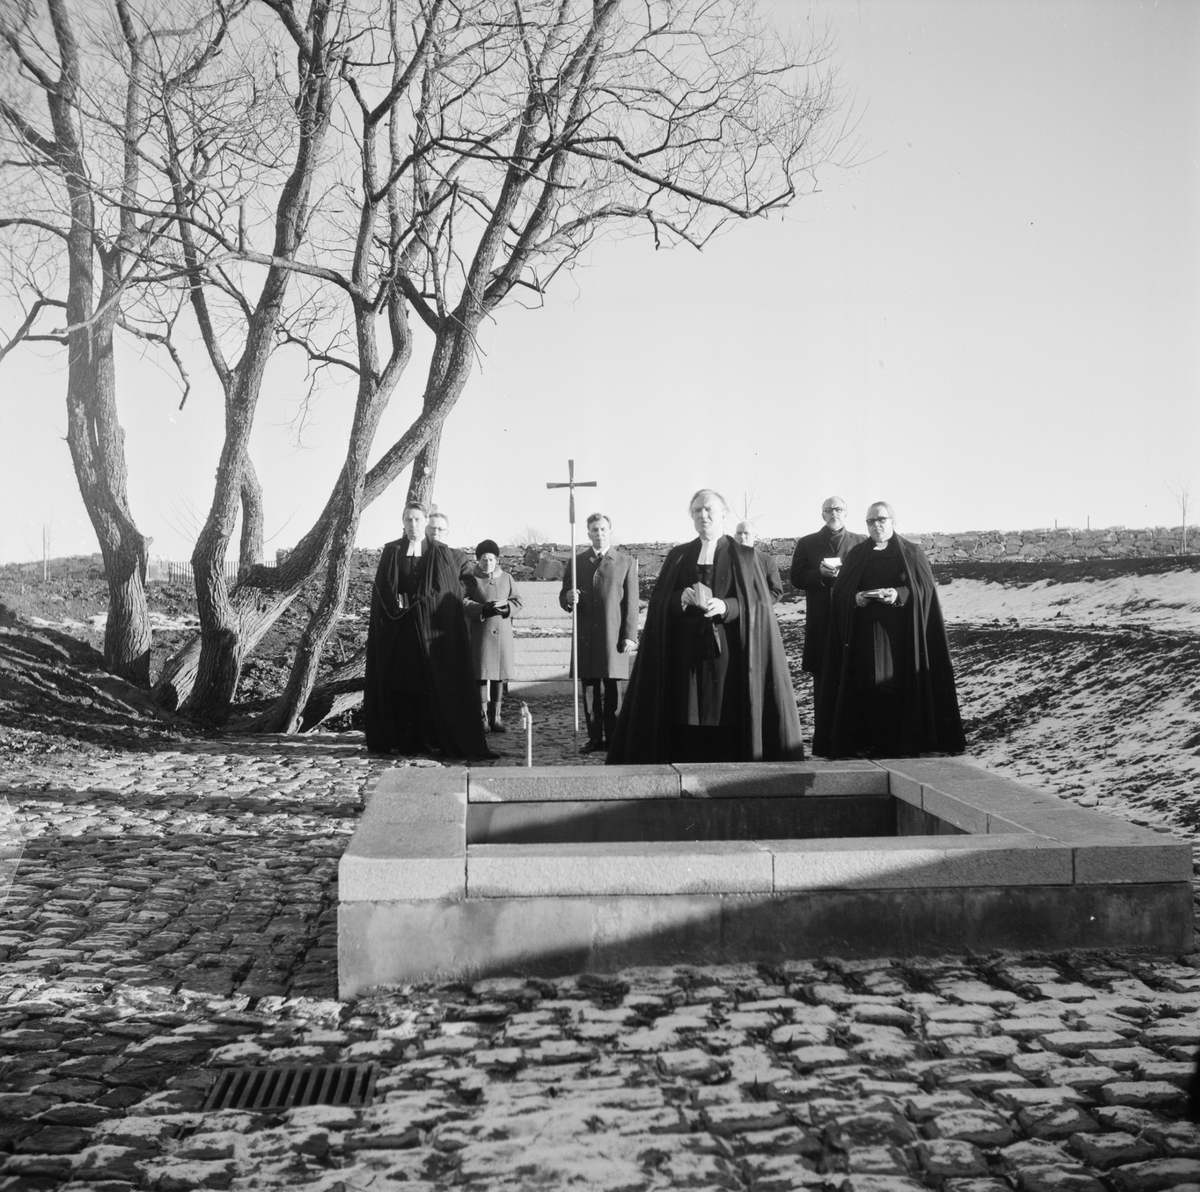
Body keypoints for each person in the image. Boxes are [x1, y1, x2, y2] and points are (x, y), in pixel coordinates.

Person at [607, 489, 804, 763]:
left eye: (709, 509)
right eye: (697, 510)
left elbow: (760, 605)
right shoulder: (679, 556)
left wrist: (727, 606)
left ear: (723, 514)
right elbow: (660, 602)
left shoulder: (745, 557)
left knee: (727, 716)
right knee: (686, 716)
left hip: (729, 657)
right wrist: (679, 600)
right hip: (686, 656)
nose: (703, 515)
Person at [813, 501, 965, 759]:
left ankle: (902, 742)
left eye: (881, 519)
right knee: (868, 686)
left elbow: (925, 591)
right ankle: (871, 741)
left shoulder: (911, 552)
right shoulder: (857, 554)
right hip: (864, 634)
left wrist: (899, 593)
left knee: (897, 687)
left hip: (901, 635)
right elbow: (840, 592)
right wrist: (855, 598)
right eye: (870, 521)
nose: (876, 525)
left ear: (893, 521)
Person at [363, 501, 495, 759]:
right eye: (408, 520)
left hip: (431, 633)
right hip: (402, 632)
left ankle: (429, 738)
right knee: (403, 684)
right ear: (403, 522)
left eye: (417, 520)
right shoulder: (392, 551)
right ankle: (405, 740)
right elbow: (383, 589)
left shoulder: (441, 552)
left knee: (429, 683)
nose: (413, 525)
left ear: (425, 522)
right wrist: (395, 604)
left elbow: (449, 588)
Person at [559, 513, 639, 754]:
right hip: (586, 637)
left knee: (613, 690)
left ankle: (614, 738)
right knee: (590, 691)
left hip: (613, 635)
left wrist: (629, 635)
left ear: (610, 531)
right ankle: (595, 738)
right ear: (588, 534)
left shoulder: (625, 561)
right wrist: (568, 599)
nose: (599, 533)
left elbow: (632, 603)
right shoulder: (577, 562)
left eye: (603, 529)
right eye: (594, 530)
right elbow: (564, 596)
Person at [789, 495, 866, 710]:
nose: (834, 514)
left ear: (846, 512)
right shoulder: (807, 543)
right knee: (824, 679)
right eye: (829, 510)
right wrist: (819, 574)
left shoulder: (860, 542)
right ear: (823, 514)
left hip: (853, 615)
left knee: (855, 672)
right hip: (822, 618)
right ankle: (825, 731)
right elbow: (796, 577)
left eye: (839, 509)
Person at [464, 539, 523, 733]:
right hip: (481, 634)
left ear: (497, 560)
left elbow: (518, 601)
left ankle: (496, 717)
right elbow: (463, 601)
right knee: (481, 675)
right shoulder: (472, 578)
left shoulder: (506, 578)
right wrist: (482, 609)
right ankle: (482, 719)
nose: (487, 563)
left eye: (491, 559)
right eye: (483, 559)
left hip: (502, 634)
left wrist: (507, 608)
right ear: (478, 560)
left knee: (499, 676)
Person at [734, 520, 783, 602]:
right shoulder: (728, 558)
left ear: (755, 536)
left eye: (746, 533)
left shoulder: (767, 561)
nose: (742, 536)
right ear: (735, 536)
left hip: (758, 611)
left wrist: (757, 604)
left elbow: (776, 591)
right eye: (739, 533)